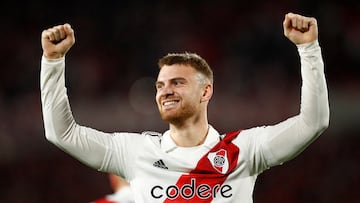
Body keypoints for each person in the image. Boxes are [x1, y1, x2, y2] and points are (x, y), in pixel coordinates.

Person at [40, 12, 329, 202]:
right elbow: (61, 134)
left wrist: (309, 49)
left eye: (177, 83)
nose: (165, 91)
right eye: (160, 85)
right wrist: (53, 62)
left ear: (206, 91)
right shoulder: (135, 152)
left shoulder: (244, 150)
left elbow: (312, 123)